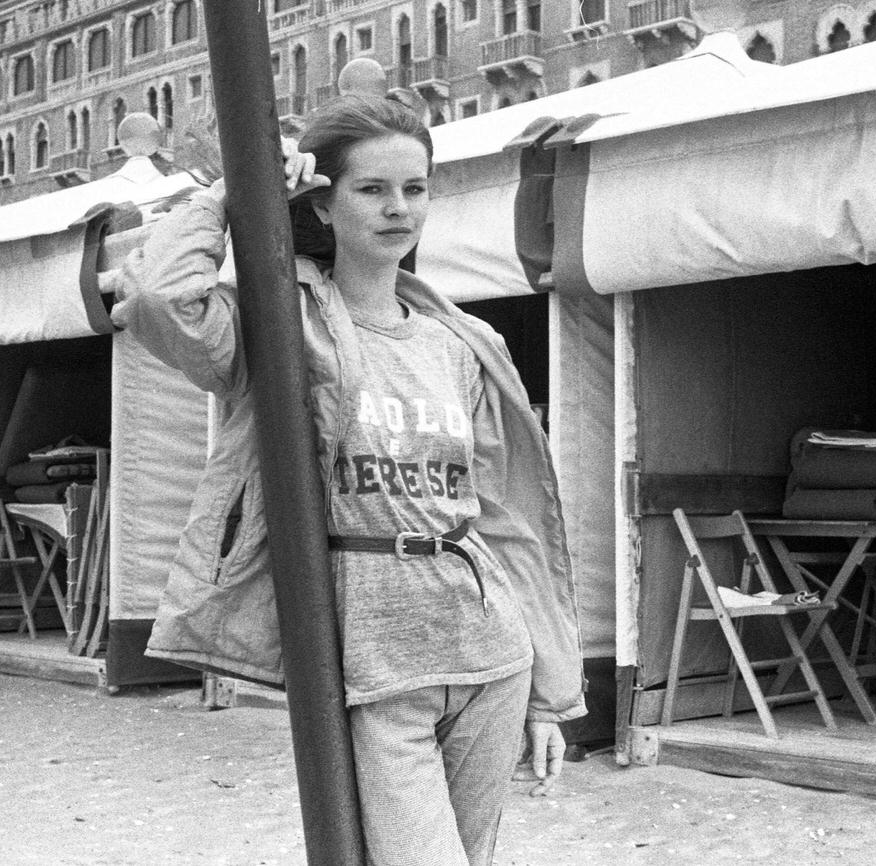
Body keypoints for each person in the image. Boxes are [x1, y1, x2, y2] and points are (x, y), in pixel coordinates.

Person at [110, 96, 586, 866]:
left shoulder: (463, 342)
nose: (400, 208)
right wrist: (234, 197)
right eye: (372, 189)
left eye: (416, 188)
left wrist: (549, 697)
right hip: (374, 669)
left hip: (491, 653)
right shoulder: (279, 322)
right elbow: (163, 299)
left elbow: (505, 522)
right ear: (323, 204)